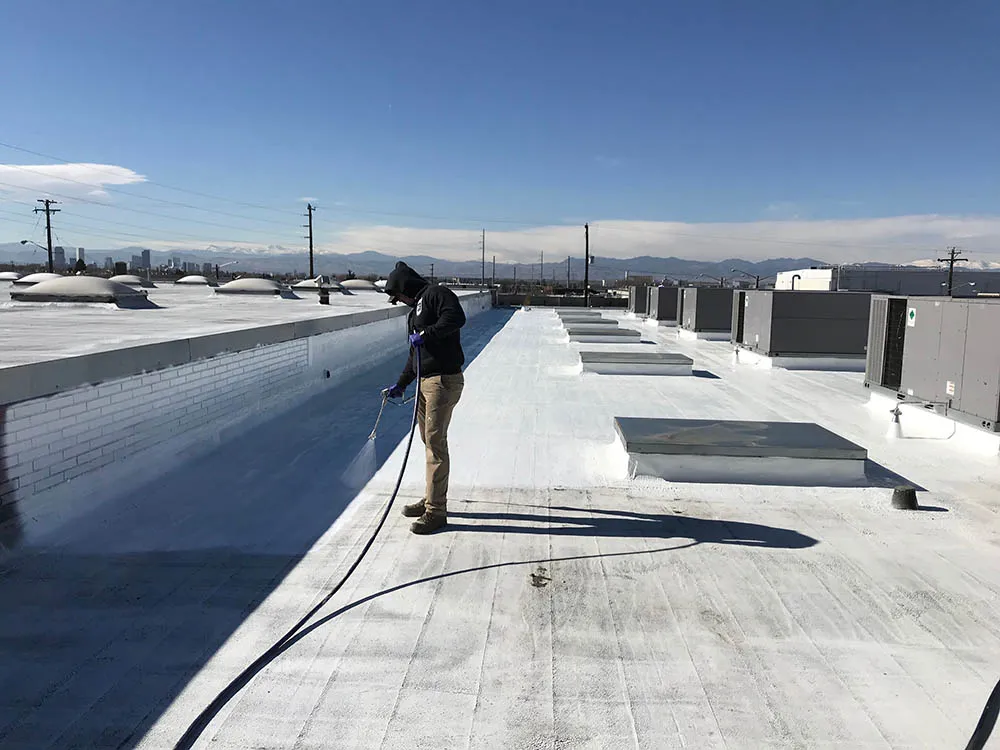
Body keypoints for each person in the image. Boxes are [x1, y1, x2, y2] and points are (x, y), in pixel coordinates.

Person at [383, 262, 466, 534]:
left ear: (406, 288)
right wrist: (402, 383)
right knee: (428, 443)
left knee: (435, 444)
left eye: (398, 296)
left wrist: (426, 334)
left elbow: (456, 318)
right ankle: (432, 498)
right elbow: (413, 354)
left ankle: (436, 512)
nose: (399, 301)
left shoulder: (436, 294)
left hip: (442, 381)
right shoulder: (413, 314)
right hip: (423, 382)